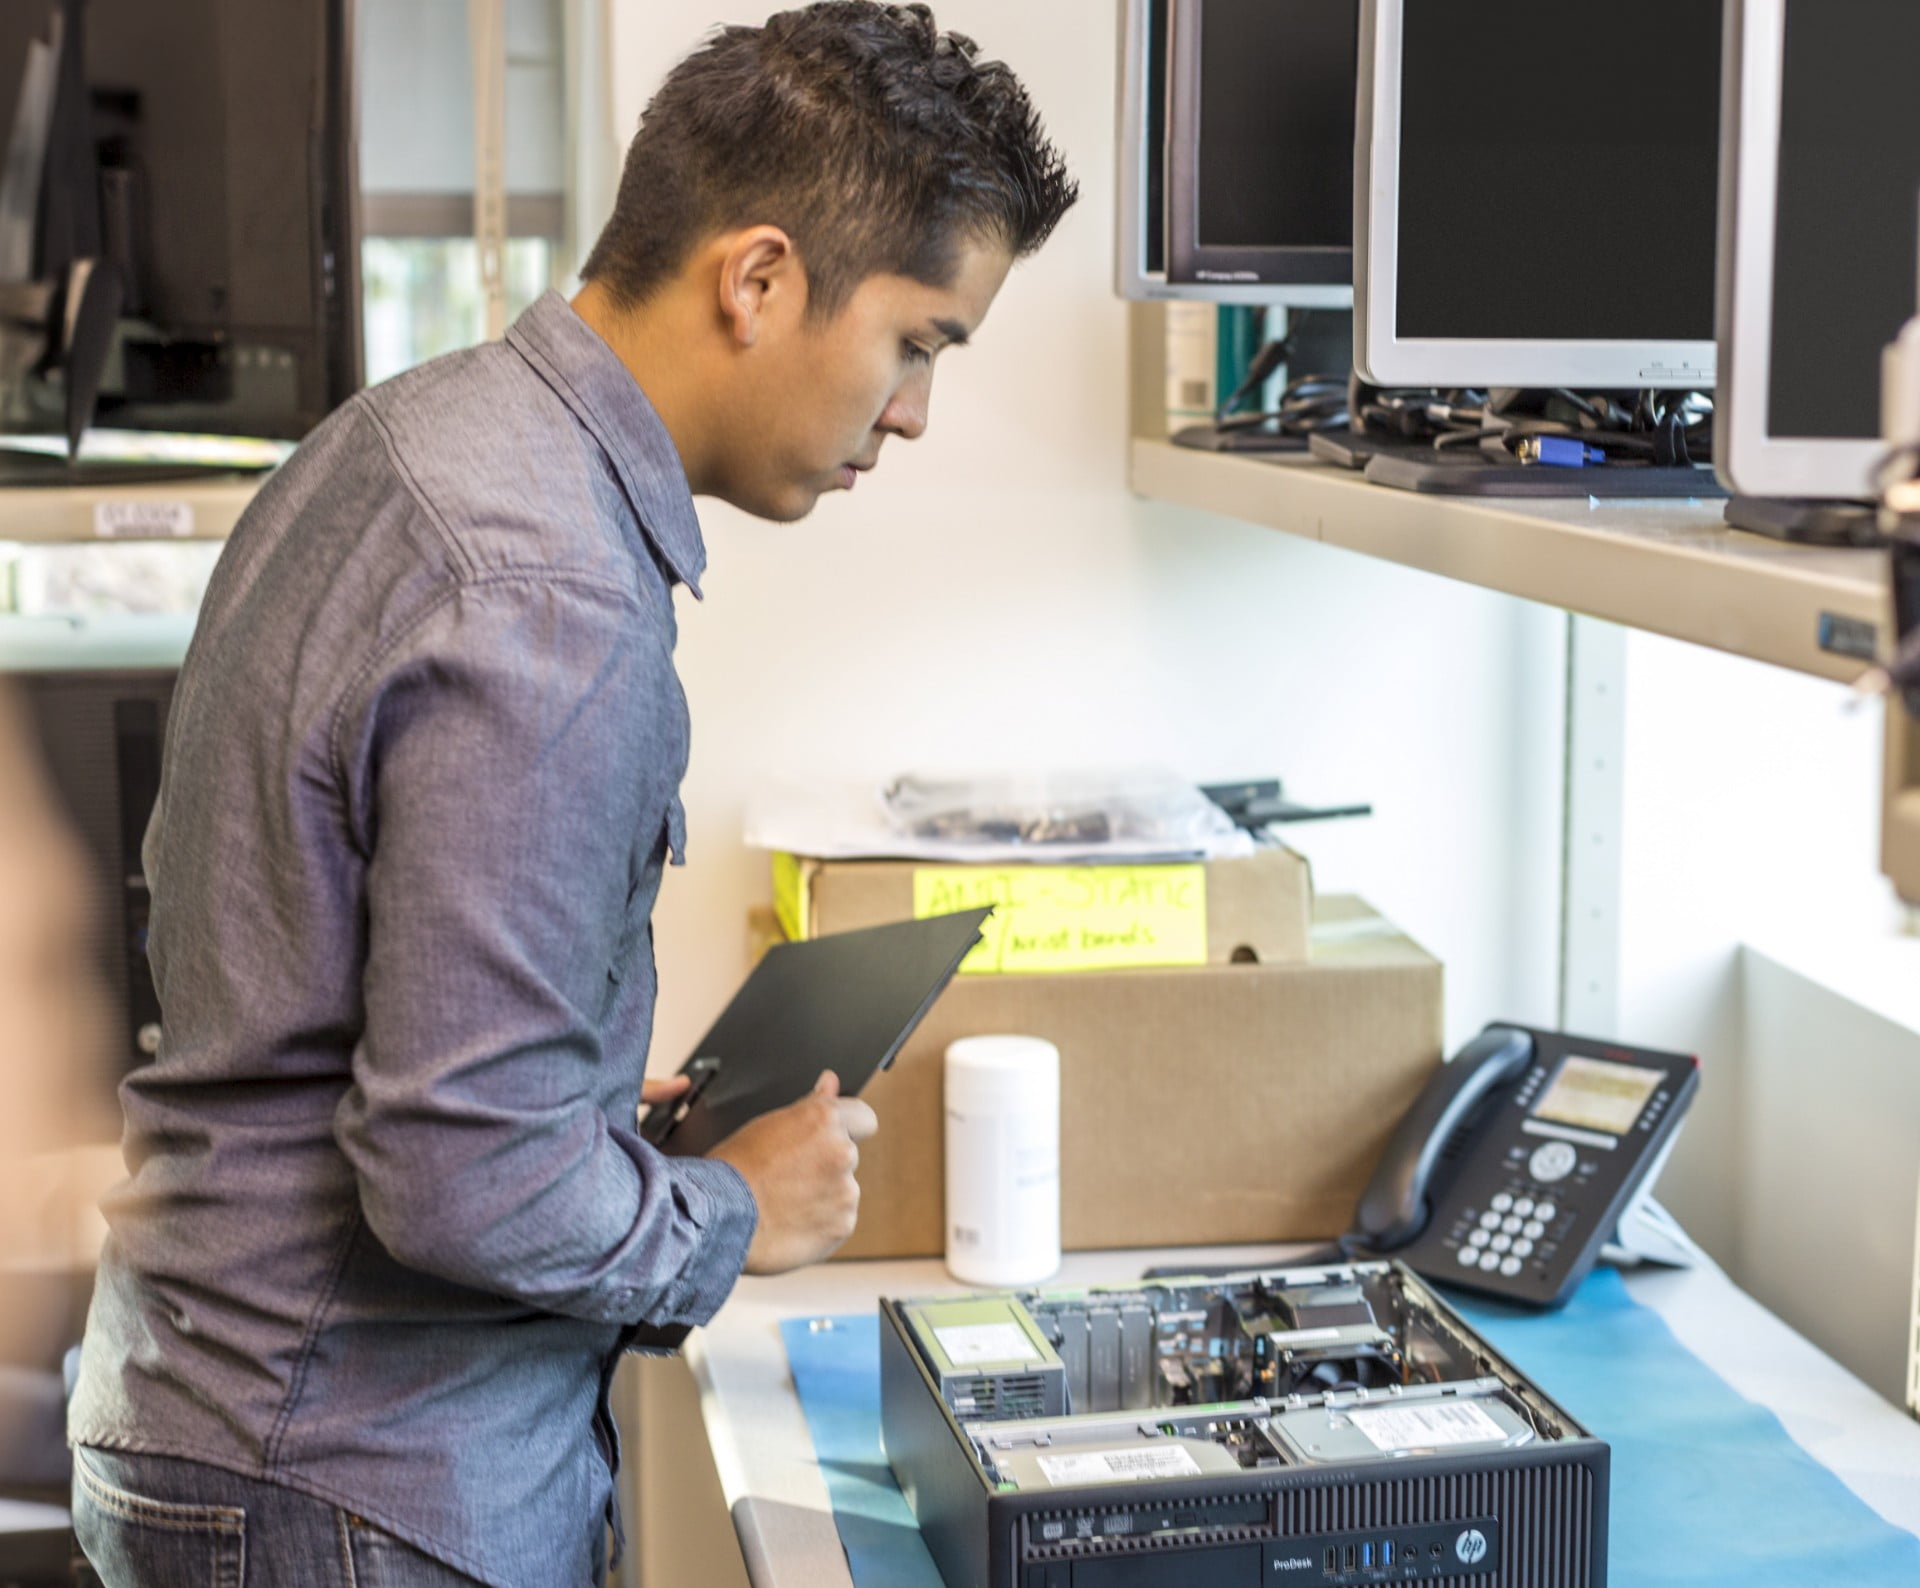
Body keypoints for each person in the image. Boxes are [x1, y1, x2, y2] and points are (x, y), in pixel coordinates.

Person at [66, 4, 1076, 1585]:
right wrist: (734, 1211)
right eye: (917, 344)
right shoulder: (550, 596)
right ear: (757, 278)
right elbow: (464, 1178)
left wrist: (599, 1126)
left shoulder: (407, 440)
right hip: (355, 1477)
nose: (912, 414)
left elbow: (338, 993)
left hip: (221, 1412)